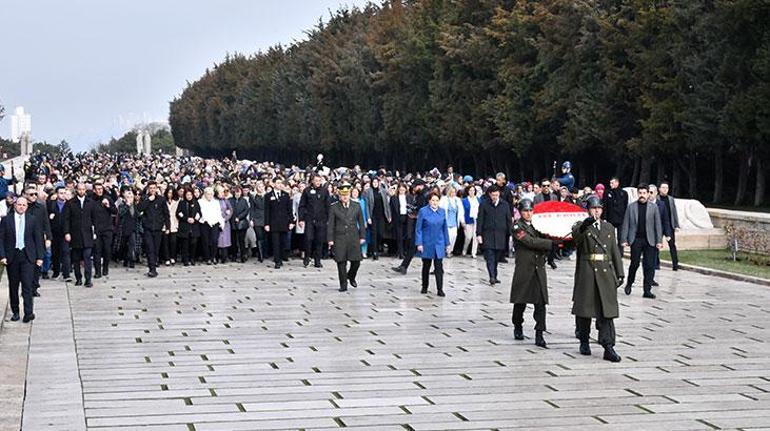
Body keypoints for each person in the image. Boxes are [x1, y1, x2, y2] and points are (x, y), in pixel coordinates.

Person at [571, 195, 624, 362]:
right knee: (585, 310)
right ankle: (584, 340)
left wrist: (620, 271)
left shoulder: (608, 227)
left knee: (607, 311)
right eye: (594, 208)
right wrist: (585, 225)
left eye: (599, 208)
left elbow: (614, 250)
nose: (596, 211)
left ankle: (608, 346)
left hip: (605, 273)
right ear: (588, 210)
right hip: (588, 271)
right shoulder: (582, 226)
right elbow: (576, 239)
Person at [510, 199, 556, 347]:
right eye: (525, 211)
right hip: (525, 267)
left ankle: (540, 333)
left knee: (541, 302)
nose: (528, 213)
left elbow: (545, 236)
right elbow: (529, 241)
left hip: (538, 267)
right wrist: (549, 244)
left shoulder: (539, 225)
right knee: (520, 301)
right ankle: (518, 325)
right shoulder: (517, 226)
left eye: (530, 210)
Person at [0, 196, 44, 322]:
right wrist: (2, 256)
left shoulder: (32, 220)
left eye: (24, 205)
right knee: (13, 286)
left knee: (27, 285)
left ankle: (28, 312)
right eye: (19, 204)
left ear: (27, 207)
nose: (21, 207)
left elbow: (38, 239)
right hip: (12, 256)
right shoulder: (6, 220)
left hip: (27, 256)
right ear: (15, 205)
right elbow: (1, 239)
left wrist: (40, 256)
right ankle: (15, 311)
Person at [620, 184, 663, 299]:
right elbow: (626, 224)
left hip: (650, 240)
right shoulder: (631, 207)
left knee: (649, 265)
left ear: (648, 194)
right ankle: (629, 283)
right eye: (640, 193)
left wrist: (659, 240)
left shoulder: (654, 208)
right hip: (636, 240)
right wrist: (624, 239)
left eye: (644, 193)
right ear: (637, 194)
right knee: (634, 264)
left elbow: (658, 225)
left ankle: (647, 290)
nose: (642, 195)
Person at [327, 183, 366, 292]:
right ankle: (343, 284)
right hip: (339, 237)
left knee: (356, 261)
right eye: (342, 195)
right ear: (339, 195)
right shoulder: (334, 207)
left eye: (347, 194)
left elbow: (361, 222)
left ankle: (351, 276)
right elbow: (330, 224)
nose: (345, 197)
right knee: (341, 262)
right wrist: (330, 239)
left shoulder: (356, 206)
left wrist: (362, 236)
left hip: (353, 236)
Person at [415, 192, 450, 297]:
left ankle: (440, 289)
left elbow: (445, 228)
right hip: (427, 242)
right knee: (426, 265)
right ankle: (424, 286)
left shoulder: (442, 211)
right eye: (433, 200)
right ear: (429, 201)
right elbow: (418, 228)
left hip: (439, 242)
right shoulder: (423, 211)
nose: (435, 202)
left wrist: (447, 243)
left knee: (439, 266)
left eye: (437, 200)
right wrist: (419, 243)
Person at [476, 185, 512, 285]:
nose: (495, 197)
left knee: (496, 257)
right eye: (493, 195)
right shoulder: (484, 204)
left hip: (501, 235)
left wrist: (511, 233)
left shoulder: (504, 205)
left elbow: (508, 220)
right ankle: (491, 276)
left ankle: (494, 275)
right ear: (489, 195)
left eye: (496, 195)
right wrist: (479, 234)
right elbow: (480, 220)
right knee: (490, 257)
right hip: (488, 234)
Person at [63, 183, 97, 287]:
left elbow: (95, 219)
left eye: (83, 189)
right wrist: (67, 232)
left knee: (87, 258)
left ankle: (88, 279)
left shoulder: (91, 202)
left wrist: (95, 232)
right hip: (75, 234)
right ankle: (78, 278)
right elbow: (66, 220)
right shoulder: (70, 203)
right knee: (76, 258)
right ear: (76, 190)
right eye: (79, 189)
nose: (81, 191)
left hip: (87, 234)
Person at [138, 181, 170, 277]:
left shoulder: (161, 199)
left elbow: (166, 214)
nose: (152, 190)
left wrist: (167, 226)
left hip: (158, 228)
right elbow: (139, 209)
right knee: (149, 248)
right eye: (150, 188)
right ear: (148, 188)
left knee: (155, 249)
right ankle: (152, 269)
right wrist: (148, 200)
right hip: (148, 228)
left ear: (156, 189)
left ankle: (153, 266)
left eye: (154, 188)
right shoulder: (144, 198)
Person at [298, 174, 331, 268]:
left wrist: (329, 219)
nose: (318, 182)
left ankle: (317, 260)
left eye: (319, 180)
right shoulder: (307, 191)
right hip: (309, 219)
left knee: (319, 240)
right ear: (312, 181)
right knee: (308, 239)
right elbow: (302, 205)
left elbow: (328, 205)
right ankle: (307, 257)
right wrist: (301, 219)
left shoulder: (325, 191)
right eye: (316, 180)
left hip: (321, 220)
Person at [264, 179, 294, 268]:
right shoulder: (268, 195)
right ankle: (277, 260)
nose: (279, 184)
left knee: (283, 242)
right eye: (277, 183)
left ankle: (281, 258)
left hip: (284, 222)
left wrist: (291, 221)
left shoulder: (285, 195)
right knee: (275, 242)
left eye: (281, 183)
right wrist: (266, 224)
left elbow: (289, 210)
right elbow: (267, 210)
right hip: (273, 223)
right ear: (273, 184)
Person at [92, 182, 117, 278]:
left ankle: (105, 267)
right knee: (97, 251)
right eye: (97, 189)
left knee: (107, 249)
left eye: (101, 189)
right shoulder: (91, 200)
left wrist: (108, 206)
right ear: (94, 190)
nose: (99, 191)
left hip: (107, 229)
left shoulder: (108, 198)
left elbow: (115, 211)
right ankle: (98, 271)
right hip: (96, 229)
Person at [47, 186, 71, 281]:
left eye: (64, 193)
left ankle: (66, 274)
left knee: (65, 252)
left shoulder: (69, 204)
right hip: (54, 232)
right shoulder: (51, 204)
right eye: (61, 193)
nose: (63, 195)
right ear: (56, 194)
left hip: (65, 233)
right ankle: (56, 272)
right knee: (55, 253)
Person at [364, 177, 391, 260]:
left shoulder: (382, 191)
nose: (375, 183)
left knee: (380, 233)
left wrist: (389, 215)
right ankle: (374, 252)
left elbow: (386, 204)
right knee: (374, 234)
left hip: (382, 216)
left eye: (376, 182)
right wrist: (368, 217)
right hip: (373, 215)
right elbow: (367, 205)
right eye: (373, 182)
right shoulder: (368, 192)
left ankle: (378, 246)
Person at [602, 177, 629, 254]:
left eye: (612, 183)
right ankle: (611, 251)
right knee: (610, 236)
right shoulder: (607, 193)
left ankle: (620, 252)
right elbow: (605, 206)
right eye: (610, 183)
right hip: (611, 218)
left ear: (617, 183)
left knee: (621, 237)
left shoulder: (624, 193)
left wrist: (625, 218)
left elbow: (625, 206)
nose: (611, 185)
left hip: (621, 218)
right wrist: (604, 218)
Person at [198, 187, 224, 265]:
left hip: (215, 223)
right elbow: (201, 213)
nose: (210, 196)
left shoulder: (216, 202)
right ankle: (207, 258)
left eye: (211, 194)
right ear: (205, 194)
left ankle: (213, 257)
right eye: (208, 194)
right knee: (205, 241)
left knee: (214, 241)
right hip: (204, 223)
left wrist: (221, 222)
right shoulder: (200, 202)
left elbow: (218, 213)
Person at [657, 182, 679, 271]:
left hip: (669, 225)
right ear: (659, 189)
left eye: (667, 187)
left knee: (672, 244)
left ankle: (675, 264)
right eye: (663, 187)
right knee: (657, 245)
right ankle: (656, 264)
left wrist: (676, 224)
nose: (665, 189)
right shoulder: (656, 199)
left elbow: (674, 212)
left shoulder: (671, 199)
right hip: (659, 225)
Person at [116, 187, 140, 268]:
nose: (130, 199)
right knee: (124, 245)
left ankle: (131, 260)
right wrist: (127, 205)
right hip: (124, 229)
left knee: (132, 244)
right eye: (128, 197)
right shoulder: (122, 206)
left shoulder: (135, 206)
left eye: (131, 197)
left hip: (133, 228)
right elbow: (121, 213)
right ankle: (125, 259)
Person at [439, 186, 464, 257]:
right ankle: (446, 251)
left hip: (454, 222)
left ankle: (450, 250)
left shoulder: (457, 200)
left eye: (454, 192)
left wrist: (462, 221)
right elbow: (440, 209)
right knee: (448, 237)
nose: (453, 193)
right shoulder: (444, 199)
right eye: (451, 192)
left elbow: (461, 211)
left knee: (454, 236)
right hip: (446, 221)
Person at [230, 186, 250, 263]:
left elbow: (246, 210)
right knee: (233, 241)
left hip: (241, 223)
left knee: (242, 241)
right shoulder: (230, 200)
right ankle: (234, 255)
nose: (237, 194)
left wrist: (239, 217)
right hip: (232, 223)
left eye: (239, 192)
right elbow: (229, 210)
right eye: (236, 192)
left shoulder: (244, 200)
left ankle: (243, 255)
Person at [161, 186, 180, 266]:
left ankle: (173, 257)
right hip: (165, 223)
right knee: (165, 242)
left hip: (174, 223)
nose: (170, 194)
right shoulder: (163, 201)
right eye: (169, 193)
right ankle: (167, 258)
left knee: (173, 241)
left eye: (171, 193)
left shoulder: (177, 201)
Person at [461, 185, 480, 258]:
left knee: (475, 237)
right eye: (470, 190)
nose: (472, 192)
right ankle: (464, 249)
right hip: (468, 220)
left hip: (477, 220)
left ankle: (473, 252)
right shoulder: (464, 200)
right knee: (468, 237)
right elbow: (462, 212)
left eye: (473, 190)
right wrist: (463, 221)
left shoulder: (478, 200)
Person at [249, 183, 266, 262]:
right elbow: (252, 209)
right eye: (259, 187)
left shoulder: (267, 196)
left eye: (262, 186)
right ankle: (260, 255)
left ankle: (265, 253)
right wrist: (251, 219)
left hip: (266, 218)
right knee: (259, 237)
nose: (261, 188)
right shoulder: (253, 197)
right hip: (257, 218)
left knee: (265, 237)